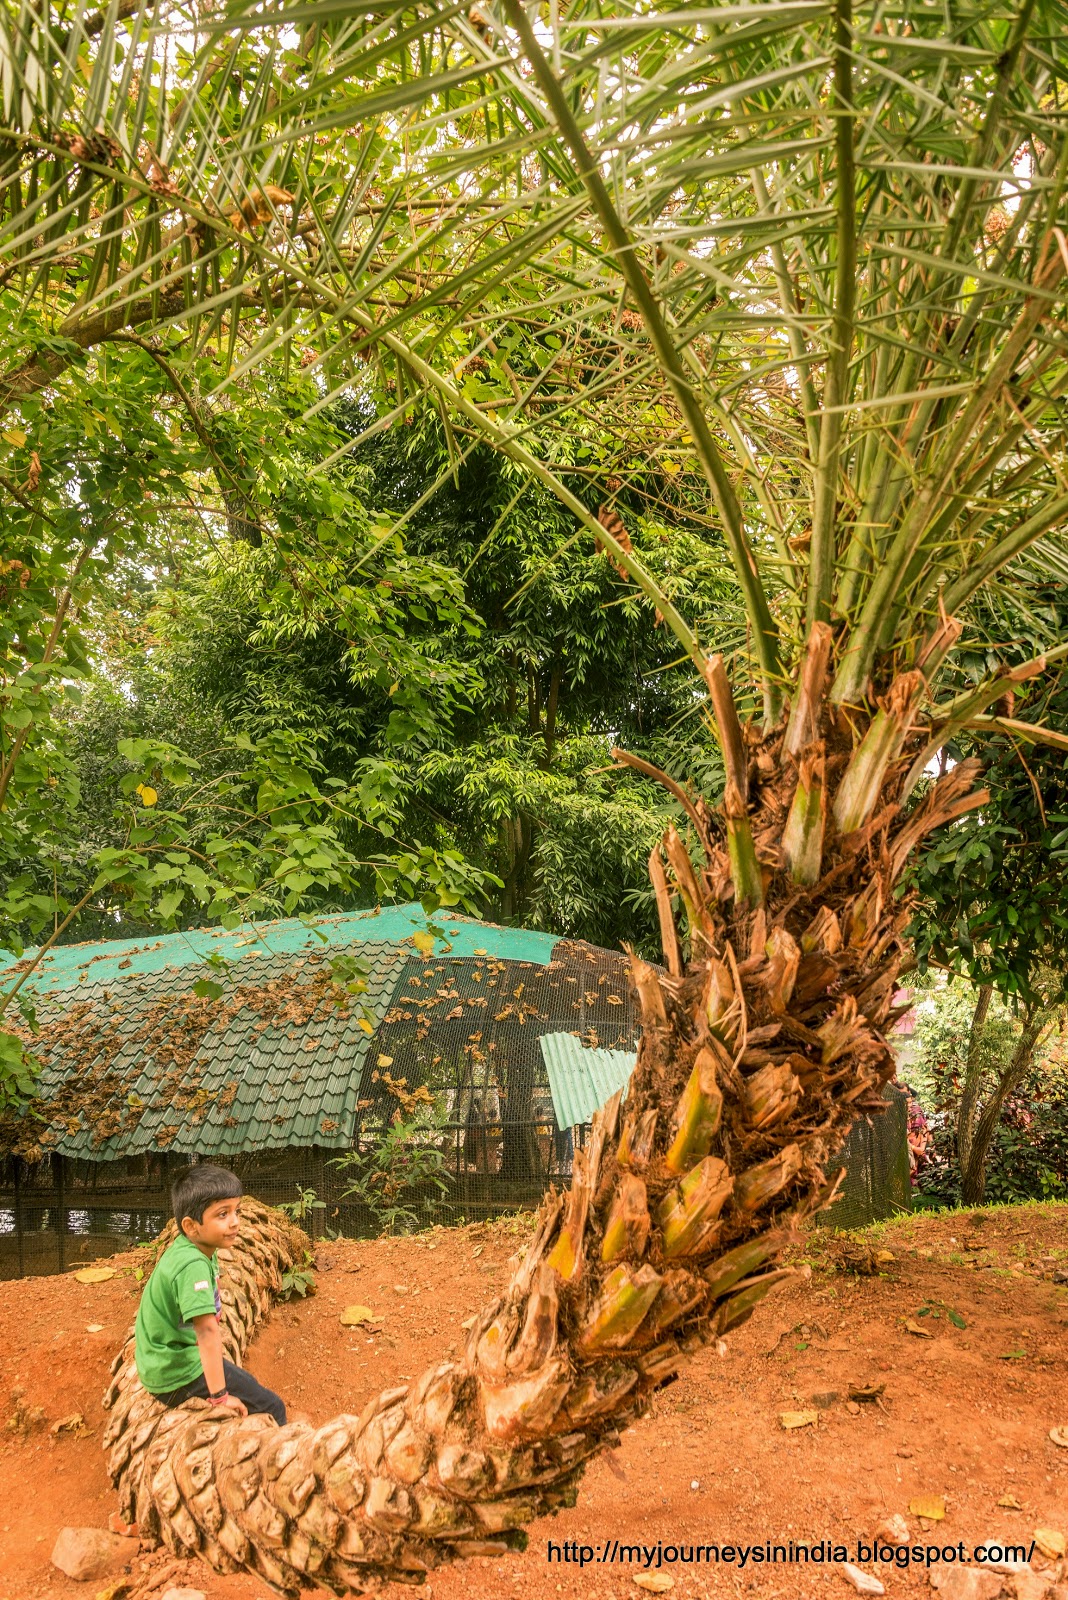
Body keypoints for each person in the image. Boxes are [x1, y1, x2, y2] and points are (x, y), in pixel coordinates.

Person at [134, 1163, 287, 1423]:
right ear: (191, 1226)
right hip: (175, 1373)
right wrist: (220, 1398)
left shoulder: (193, 1248)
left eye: (236, 1211)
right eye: (222, 1215)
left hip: (164, 1361)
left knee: (247, 1383)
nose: (235, 1222)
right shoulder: (192, 1265)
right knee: (273, 1406)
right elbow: (206, 1332)